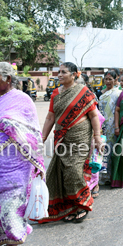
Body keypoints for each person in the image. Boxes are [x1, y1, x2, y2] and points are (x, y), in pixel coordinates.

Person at [0, 62, 44, 246]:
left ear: (8, 78)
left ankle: (14, 242)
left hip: (15, 160)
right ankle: (4, 239)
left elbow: (32, 131)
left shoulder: (22, 99)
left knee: (11, 202)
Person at [39, 62, 102, 223]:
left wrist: (97, 137)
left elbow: (94, 116)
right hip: (61, 139)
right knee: (61, 173)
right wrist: (42, 138)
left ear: (74, 74)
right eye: (58, 72)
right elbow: (50, 117)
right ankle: (71, 207)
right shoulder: (55, 93)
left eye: (63, 72)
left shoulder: (83, 92)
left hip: (79, 137)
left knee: (73, 171)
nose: (59, 75)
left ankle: (83, 204)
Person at [98, 70, 122, 185]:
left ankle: (114, 176)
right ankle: (105, 175)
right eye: (106, 79)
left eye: (110, 79)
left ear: (115, 80)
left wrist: (117, 126)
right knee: (104, 150)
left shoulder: (118, 93)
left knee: (113, 150)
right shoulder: (101, 94)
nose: (108, 81)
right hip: (103, 125)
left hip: (114, 125)